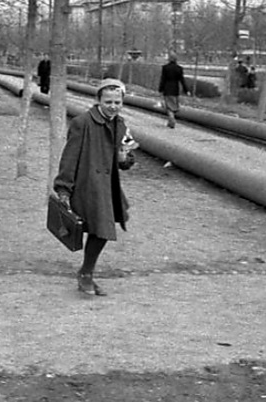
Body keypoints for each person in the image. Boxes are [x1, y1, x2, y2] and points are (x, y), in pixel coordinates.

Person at [52, 78, 137, 296]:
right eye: (108, 101)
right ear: (98, 100)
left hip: (108, 186)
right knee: (101, 228)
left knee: (102, 230)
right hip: (87, 183)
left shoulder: (121, 124)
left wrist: (124, 159)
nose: (113, 106)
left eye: (117, 102)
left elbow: (127, 160)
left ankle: (86, 272)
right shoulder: (82, 122)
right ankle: (86, 274)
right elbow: (69, 158)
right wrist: (63, 189)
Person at [158, 52, 189, 128]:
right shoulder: (179, 69)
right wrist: (186, 90)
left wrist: (160, 89)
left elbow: (163, 79)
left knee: (168, 106)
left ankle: (171, 119)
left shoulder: (165, 68)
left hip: (167, 89)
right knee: (174, 105)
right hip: (175, 89)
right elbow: (182, 80)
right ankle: (171, 120)